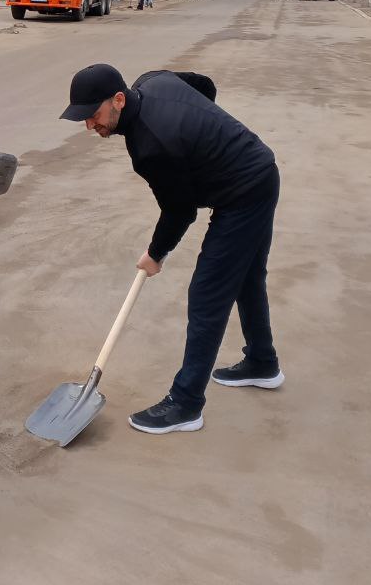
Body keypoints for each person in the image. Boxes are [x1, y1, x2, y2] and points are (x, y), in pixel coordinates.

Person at [61, 64, 284, 435]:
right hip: (260, 170)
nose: (90, 126)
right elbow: (205, 87)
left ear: (118, 100)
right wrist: (202, 136)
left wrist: (155, 253)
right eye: (83, 119)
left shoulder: (150, 146)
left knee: (206, 295)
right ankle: (263, 362)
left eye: (93, 115)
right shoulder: (152, 80)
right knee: (245, 280)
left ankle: (186, 404)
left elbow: (180, 210)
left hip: (243, 193)